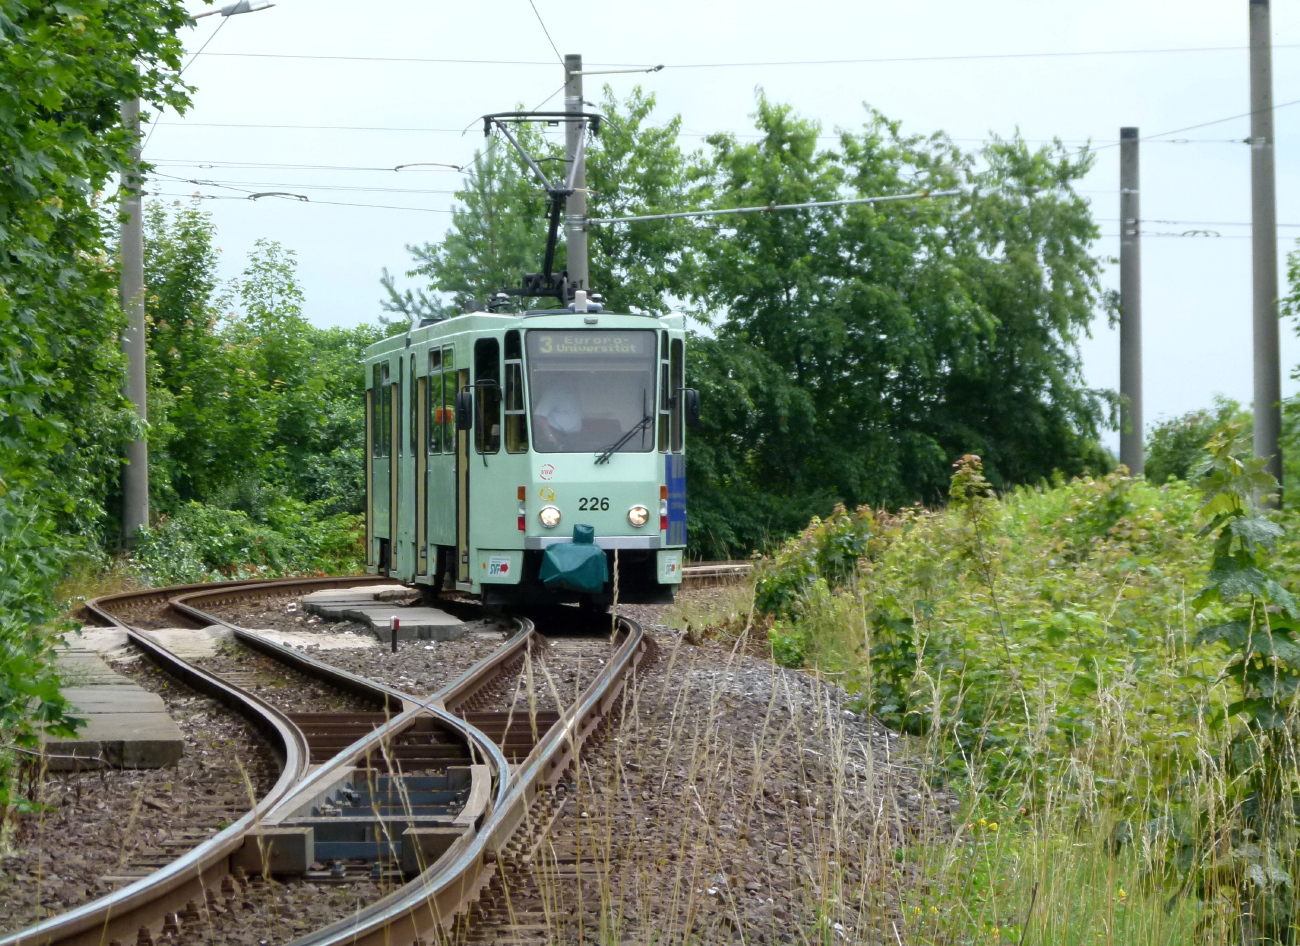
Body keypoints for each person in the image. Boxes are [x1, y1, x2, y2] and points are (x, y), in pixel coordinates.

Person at [532, 383, 583, 451]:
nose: (575, 380)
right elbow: (540, 416)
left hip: (574, 437)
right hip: (557, 436)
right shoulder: (552, 393)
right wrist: (551, 437)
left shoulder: (574, 394)